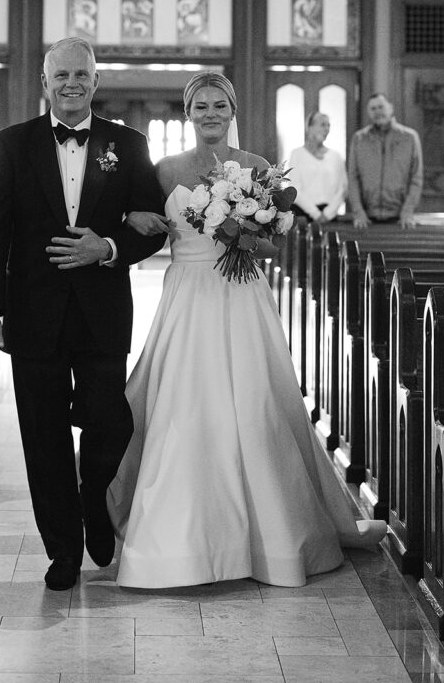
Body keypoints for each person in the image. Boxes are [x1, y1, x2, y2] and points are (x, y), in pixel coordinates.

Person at [106, 71, 386, 589]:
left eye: (219, 105)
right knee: (185, 405)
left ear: (232, 109)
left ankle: (272, 537)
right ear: (188, 112)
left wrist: (242, 229)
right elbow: (142, 223)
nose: (210, 114)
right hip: (188, 295)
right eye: (200, 106)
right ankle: (181, 539)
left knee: (257, 404)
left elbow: (274, 245)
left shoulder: (258, 167)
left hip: (243, 296)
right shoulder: (165, 170)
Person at [0, 37, 166, 592]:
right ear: (45, 82)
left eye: (82, 74)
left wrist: (106, 248)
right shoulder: (13, 145)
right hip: (33, 314)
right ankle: (63, 550)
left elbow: (151, 222)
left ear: (96, 82)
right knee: (44, 434)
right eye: (62, 76)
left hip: (102, 310)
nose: (72, 83)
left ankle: (95, 504)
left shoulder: (127, 144)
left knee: (111, 419)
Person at [347, 92, 423, 229]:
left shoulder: (409, 137)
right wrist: (358, 211)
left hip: (400, 218)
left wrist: (407, 211)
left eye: (381, 107)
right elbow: (353, 177)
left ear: (391, 108)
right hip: (367, 219)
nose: (377, 112)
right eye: (373, 109)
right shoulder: (359, 139)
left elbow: (416, 178)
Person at [288, 111, 347, 223]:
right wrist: (316, 214)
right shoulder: (297, 154)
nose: (326, 129)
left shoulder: (336, 156)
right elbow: (295, 188)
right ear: (309, 127)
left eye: (328, 125)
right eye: (322, 124)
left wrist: (328, 214)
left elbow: (342, 189)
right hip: (303, 216)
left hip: (329, 217)